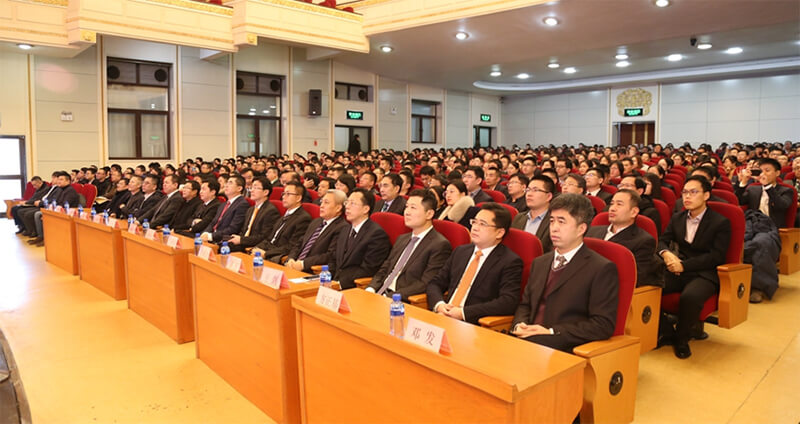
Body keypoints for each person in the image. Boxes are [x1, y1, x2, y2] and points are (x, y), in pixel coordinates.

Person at [511, 193, 619, 352]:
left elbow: (602, 325)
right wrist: (520, 325)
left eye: (561, 222)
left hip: (563, 347)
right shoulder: (540, 262)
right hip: (525, 341)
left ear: (581, 228)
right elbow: (525, 305)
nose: (554, 228)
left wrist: (551, 332)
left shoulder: (601, 268)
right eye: (552, 221)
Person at [658, 175, 731, 359]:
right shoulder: (678, 218)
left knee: (690, 297)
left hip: (705, 273)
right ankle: (667, 331)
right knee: (650, 285)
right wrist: (666, 254)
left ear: (706, 195)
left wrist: (684, 266)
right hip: (679, 269)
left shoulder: (720, 222)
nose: (687, 196)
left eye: (693, 192)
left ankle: (682, 340)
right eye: (684, 192)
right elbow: (662, 241)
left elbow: (716, 256)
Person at [426, 203, 522, 324]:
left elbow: (508, 302)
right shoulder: (461, 251)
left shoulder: (509, 261)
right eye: (474, 222)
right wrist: (439, 305)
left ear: (499, 233)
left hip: (472, 323)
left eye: (482, 224)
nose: (475, 228)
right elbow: (435, 283)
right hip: (443, 314)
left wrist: (463, 313)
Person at [366, 189, 452, 301]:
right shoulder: (402, 239)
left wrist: (389, 297)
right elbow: (385, 268)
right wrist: (371, 288)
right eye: (407, 207)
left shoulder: (439, 245)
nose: (407, 212)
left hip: (402, 301)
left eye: (413, 208)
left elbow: (425, 283)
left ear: (429, 214)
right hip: (380, 294)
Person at [587, 190, 662, 287]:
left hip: (607, 287)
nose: (612, 208)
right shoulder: (592, 231)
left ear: (633, 212)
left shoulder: (643, 241)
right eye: (612, 204)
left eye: (619, 204)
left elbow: (634, 278)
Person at [329, 188, 391, 290]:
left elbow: (368, 269)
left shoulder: (376, 235)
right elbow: (333, 258)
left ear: (366, 209)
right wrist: (328, 279)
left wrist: (340, 284)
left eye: (352, 203)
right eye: (347, 202)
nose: (347, 207)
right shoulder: (345, 229)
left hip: (353, 287)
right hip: (333, 283)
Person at [285, 189, 348, 273]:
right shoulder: (316, 222)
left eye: (326, 202)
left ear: (338, 208)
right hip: (294, 267)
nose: (321, 206)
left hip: (312, 271)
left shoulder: (342, 227)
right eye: (321, 202)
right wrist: (291, 258)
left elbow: (330, 255)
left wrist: (303, 264)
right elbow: (300, 243)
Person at [253, 181, 311, 262]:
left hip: (276, 257)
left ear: (298, 198)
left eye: (288, 194)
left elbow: (291, 246)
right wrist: (255, 249)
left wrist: (266, 254)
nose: (284, 197)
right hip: (267, 252)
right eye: (283, 194)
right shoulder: (284, 215)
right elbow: (269, 239)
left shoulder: (303, 219)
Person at [735, 157, 793, 230]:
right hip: (753, 224)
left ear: (777, 173)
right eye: (761, 171)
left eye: (767, 170)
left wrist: (767, 186)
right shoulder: (752, 189)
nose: (763, 174)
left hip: (773, 227)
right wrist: (743, 182)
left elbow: (781, 205)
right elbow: (739, 201)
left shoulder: (786, 190)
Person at [228, 177, 280, 252]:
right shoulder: (250, 209)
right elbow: (244, 230)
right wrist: (238, 238)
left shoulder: (270, 211)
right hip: (243, 243)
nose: (252, 191)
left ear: (265, 192)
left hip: (254, 247)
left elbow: (264, 237)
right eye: (252, 187)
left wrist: (241, 240)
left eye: (256, 188)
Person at [511, 175, 554, 253]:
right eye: (528, 190)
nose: (529, 194)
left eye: (535, 190)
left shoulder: (554, 221)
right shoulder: (519, 218)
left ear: (548, 196)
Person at [201, 175, 249, 243]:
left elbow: (233, 229)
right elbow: (213, 223)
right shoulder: (223, 204)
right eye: (226, 183)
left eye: (230, 183)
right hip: (212, 238)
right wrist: (205, 233)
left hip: (224, 241)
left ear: (239, 188)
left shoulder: (242, 204)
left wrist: (211, 236)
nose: (226, 185)